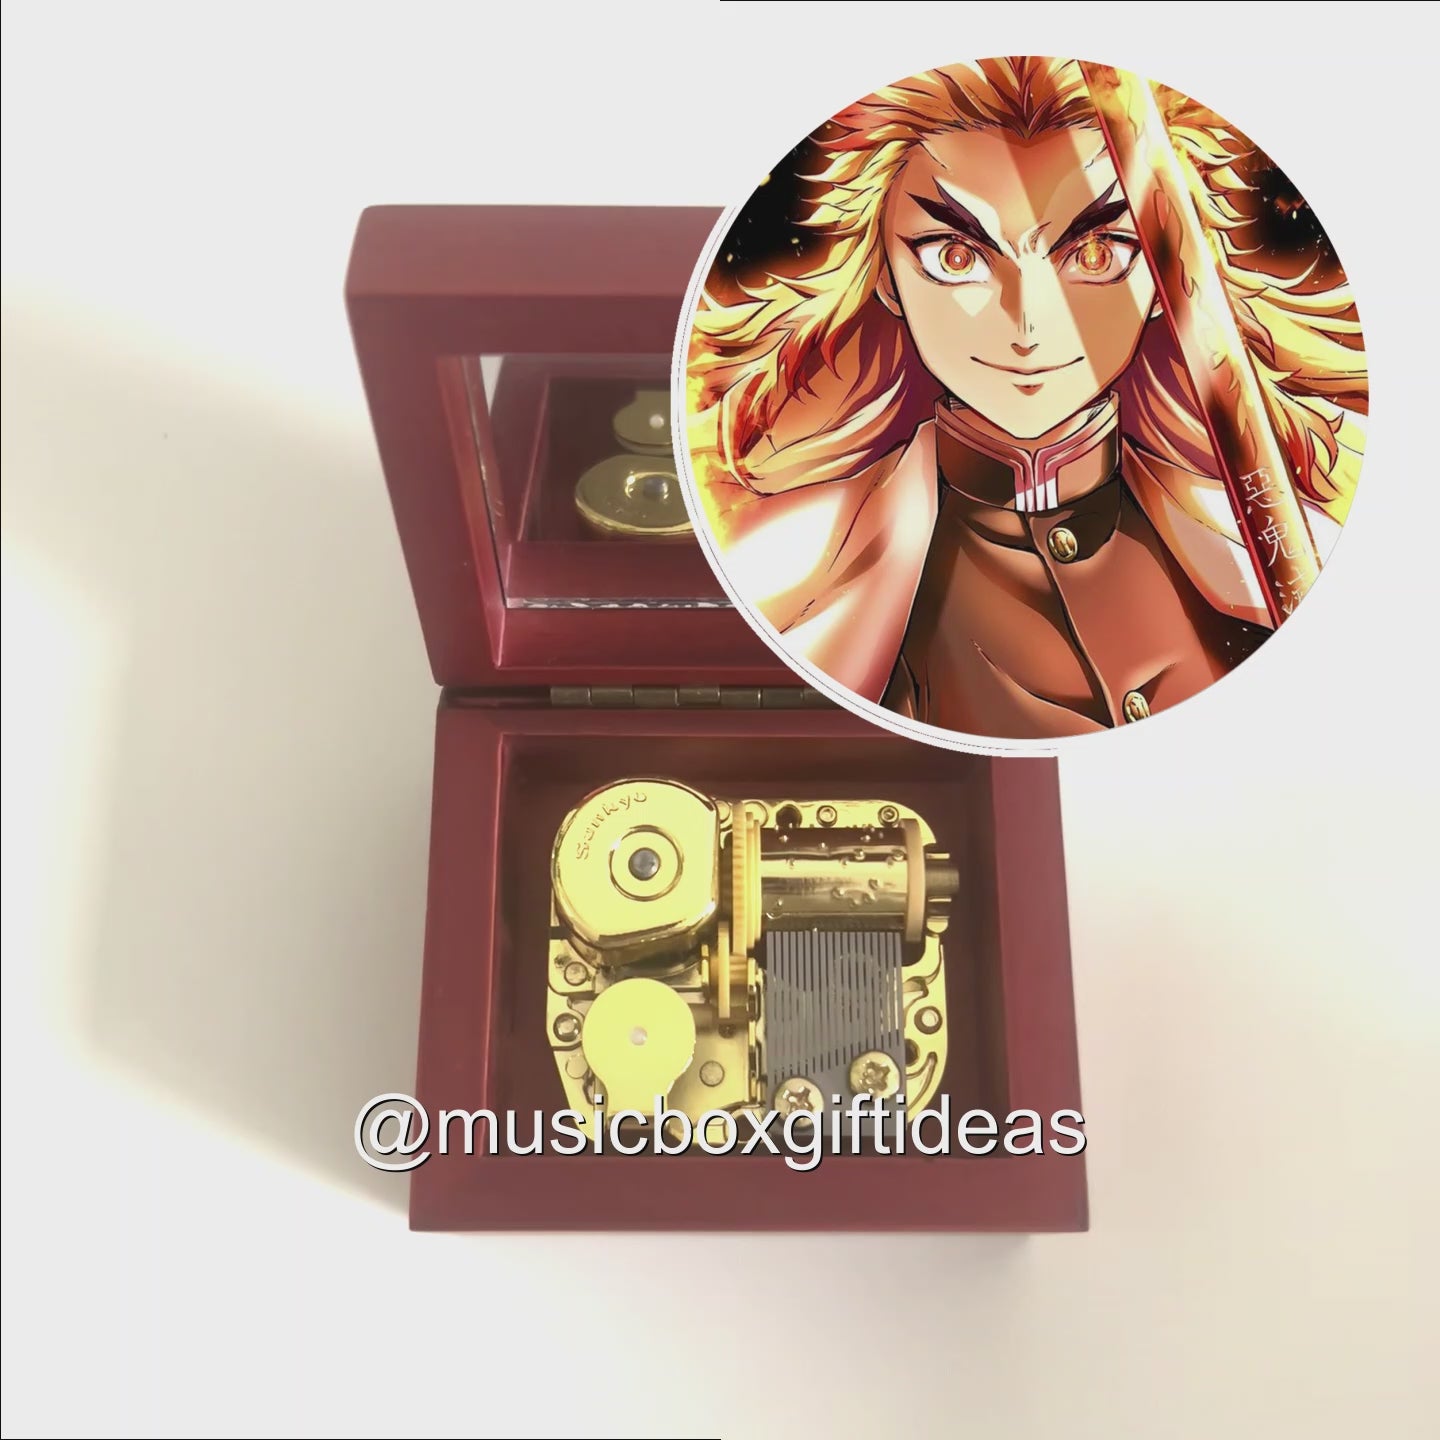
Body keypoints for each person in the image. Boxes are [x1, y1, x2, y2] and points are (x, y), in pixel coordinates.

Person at [686, 57, 1367, 739]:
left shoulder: (1271, 547)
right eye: (955, 257)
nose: (1029, 323)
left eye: (1098, 254)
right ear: (887, 277)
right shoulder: (794, 584)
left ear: (1166, 280)